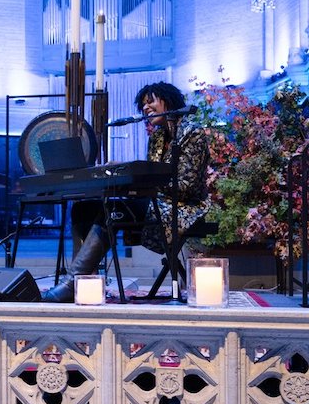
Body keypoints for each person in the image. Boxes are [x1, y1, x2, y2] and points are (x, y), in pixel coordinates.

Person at [42, 82, 211, 302]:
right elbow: (153, 177)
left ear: (168, 101)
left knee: (111, 208)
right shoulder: (158, 138)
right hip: (158, 201)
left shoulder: (193, 133)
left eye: (150, 101)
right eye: (143, 105)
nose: (146, 108)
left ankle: (72, 281)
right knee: (84, 208)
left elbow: (187, 185)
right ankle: (85, 283)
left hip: (185, 207)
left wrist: (138, 173)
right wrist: (125, 172)